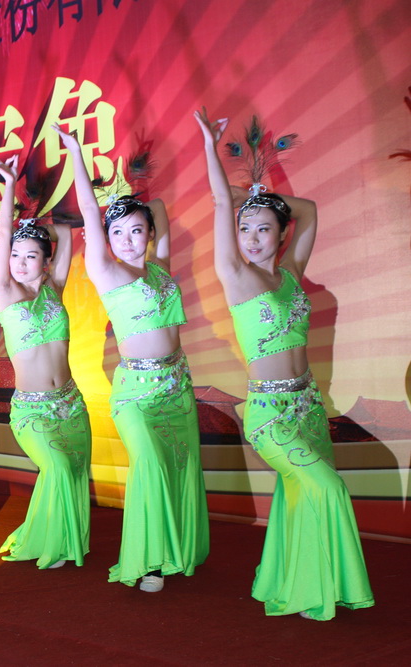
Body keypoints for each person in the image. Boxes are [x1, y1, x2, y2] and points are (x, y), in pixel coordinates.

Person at [194, 107, 373, 620]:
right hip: (270, 417)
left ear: (281, 234)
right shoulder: (237, 277)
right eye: (244, 229)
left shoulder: (291, 272)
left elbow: (309, 210)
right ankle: (316, 586)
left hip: (308, 407)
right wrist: (217, 160)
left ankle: (303, 582)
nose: (251, 237)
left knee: (299, 497)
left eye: (263, 228)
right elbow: (221, 205)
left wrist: (261, 197)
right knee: (327, 488)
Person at [55, 123, 209, 592]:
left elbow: (158, 208)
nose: (125, 239)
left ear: (149, 234)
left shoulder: (161, 267)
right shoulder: (106, 272)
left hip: (176, 387)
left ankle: (176, 548)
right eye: (116, 232)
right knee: (151, 466)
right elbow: (89, 211)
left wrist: (134, 200)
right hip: (135, 395)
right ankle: (148, 562)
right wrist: (76, 153)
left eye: (135, 230)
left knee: (180, 466)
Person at [0, 155, 91, 569]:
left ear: (46, 263)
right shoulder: (4, 291)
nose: (20, 262)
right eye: (15, 254)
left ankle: (61, 539)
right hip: (32, 411)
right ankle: (49, 542)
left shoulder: (55, 287)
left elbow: (65, 232)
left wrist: (39, 221)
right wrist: (9, 188)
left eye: (31, 256)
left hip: (71, 404)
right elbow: (4, 239)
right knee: (59, 468)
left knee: (73, 471)